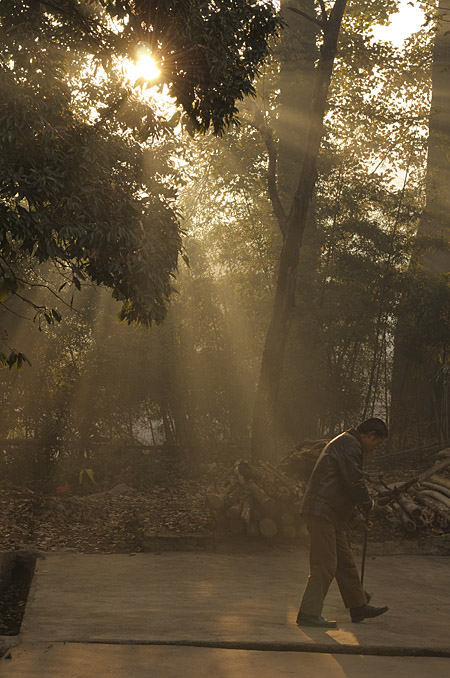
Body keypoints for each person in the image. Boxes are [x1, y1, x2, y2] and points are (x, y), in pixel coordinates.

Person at [296, 418, 389, 629]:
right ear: (371, 435)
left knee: (345, 562)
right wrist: (370, 504)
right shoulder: (350, 445)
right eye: (378, 442)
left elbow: (342, 487)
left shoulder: (348, 443)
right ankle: (308, 614)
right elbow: (354, 483)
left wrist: (356, 518)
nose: (376, 448)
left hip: (329, 514)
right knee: (325, 565)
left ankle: (358, 606)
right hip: (321, 512)